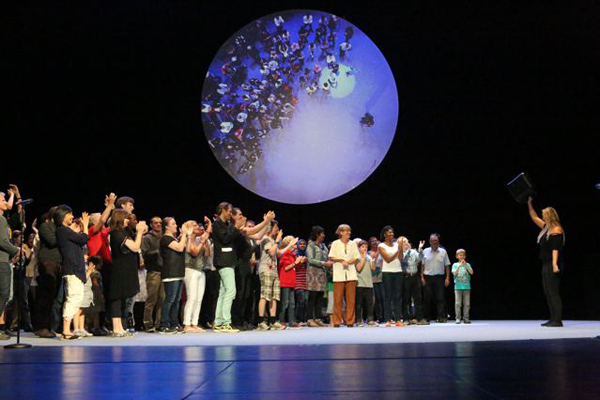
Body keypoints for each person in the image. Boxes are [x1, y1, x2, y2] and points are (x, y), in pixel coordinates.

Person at [212, 202, 274, 333]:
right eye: (229, 211)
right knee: (231, 291)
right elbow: (225, 239)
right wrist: (237, 226)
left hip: (230, 262)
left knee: (224, 292)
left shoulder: (229, 226)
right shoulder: (217, 224)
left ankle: (219, 322)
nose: (230, 214)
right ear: (223, 210)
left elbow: (255, 233)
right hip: (224, 261)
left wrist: (266, 222)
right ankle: (226, 322)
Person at [109, 209, 147, 337]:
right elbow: (135, 247)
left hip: (128, 269)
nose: (128, 220)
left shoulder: (125, 231)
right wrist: (140, 232)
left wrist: (140, 230)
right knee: (117, 297)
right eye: (126, 218)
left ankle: (121, 327)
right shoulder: (116, 233)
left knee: (124, 298)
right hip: (120, 269)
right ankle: (116, 328)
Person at [527, 197, 565, 327]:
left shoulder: (556, 229)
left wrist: (554, 264)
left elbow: (555, 248)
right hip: (546, 263)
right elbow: (533, 217)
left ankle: (557, 320)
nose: (542, 217)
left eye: (544, 215)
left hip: (552, 264)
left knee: (553, 292)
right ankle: (553, 318)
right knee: (547, 291)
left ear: (549, 216)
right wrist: (529, 204)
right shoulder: (546, 228)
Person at [55, 205, 90, 340]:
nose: (72, 217)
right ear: (63, 215)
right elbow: (83, 239)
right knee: (73, 298)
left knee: (76, 298)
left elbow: (79, 240)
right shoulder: (62, 230)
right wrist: (85, 225)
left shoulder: (66, 231)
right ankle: (66, 330)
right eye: (70, 214)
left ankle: (66, 329)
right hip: (72, 269)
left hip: (76, 269)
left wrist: (77, 230)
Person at [34, 207, 63, 338]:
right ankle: (42, 327)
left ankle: (50, 326)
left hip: (59, 264)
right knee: (46, 296)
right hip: (48, 263)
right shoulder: (45, 226)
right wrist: (66, 234)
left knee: (54, 298)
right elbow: (52, 241)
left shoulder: (60, 228)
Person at [158, 217, 190, 334]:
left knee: (176, 300)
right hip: (170, 273)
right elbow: (180, 248)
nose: (176, 225)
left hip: (178, 272)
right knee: (170, 299)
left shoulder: (174, 239)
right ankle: (164, 324)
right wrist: (184, 234)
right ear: (167, 227)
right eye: (173, 223)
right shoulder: (165, 239)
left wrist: (185, 235)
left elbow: (184, 248)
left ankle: (174, 323)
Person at [256, 220, 288, 331]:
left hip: (274, 270)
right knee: (265, 295)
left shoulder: (272, 241)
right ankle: (261, 321)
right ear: (270, 228)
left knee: (275, 296)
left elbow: (278, 253)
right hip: (266, 269)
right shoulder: (265, 239)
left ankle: (273, 321)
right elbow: (271, 252)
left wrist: (289, 245)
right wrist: (278, 241)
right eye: (276, 227)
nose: (277, 229)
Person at [182, 219, 211, 332]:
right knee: (192, 298)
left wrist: (209, 225)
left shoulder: (199, 240)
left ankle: (194, 323)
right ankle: (186, 324)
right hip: (190, 270)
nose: (198, 227)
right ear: (189, 228)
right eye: (194, 226)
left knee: (199, 299)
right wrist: (202, 242)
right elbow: (193, 252)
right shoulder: (186, 239)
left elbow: (207, 254)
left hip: (200, 270)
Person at [328, 224, 360, 327]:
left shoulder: (353, 244)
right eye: (346, 231)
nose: (349, 232)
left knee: (351, 300)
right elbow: (331, 257)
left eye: (349, 231)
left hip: (351, 274)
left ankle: (350, 321)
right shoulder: (335, 243)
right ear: (341, 232)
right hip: (339, 274)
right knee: (337, 300)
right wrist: (341, 260)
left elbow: (357, 257)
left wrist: (348, 262)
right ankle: (337, 321)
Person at [0, 191, 20, 340]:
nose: (5, 202)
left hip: (3, 260)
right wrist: (16, 250)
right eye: (2, 199)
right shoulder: (0, 219)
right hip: (2, 261)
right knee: (4, 294)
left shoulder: (3, 219)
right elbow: (2, 241)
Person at [378, 226, 406, 327]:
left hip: (398, 271)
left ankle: (398, 319)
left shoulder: (396, 245)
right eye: (389, 232)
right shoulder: (381, 246)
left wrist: (400, 248)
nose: (392, 234)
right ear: (385, 234)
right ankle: (388, 319)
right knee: (387, 296)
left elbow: (401, 258)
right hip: (387, 272)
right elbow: (388, 259)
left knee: (397, 296)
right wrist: (397, 250)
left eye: (392, 232)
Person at [141, 216, 165, 332]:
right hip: (153, 271)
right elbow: (145, 254)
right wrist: (157, 252)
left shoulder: (164, 237)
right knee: (151, 299)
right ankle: (148, 323)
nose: (158, 224)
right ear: (151, 225)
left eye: (160, 223)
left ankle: (159, 323)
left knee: (162, 299)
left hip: (164, 271)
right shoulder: (147, 238)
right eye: (156, 223)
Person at [422, 233, 451, 323]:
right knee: (427, 298)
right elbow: (422, 265)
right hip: (427, 277)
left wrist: (447, 278)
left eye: (436, 240)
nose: (434, 242)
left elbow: (447, 265)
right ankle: (426, 318)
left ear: (438, 241)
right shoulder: (425, 251)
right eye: (432, 240)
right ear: (429, 241)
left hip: (439, 277)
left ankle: (441, 317)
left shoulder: (443, 251)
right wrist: (421, 277)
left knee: (440, 298)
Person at [306, 226, 331, 327]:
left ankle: (318, 318)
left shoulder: (323, 246)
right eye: (322, 234)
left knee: (320, 296)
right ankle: (309, 319)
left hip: (322, 274)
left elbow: (327, 257)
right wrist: (323, 263)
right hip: (313, 274)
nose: (323, 235)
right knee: (312, 296)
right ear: (317, 235)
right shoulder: (311, 246)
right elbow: (310, 259)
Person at [278, 235, 304, 327]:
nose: (296, 245)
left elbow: (294, 268)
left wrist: (299, 262)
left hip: (292, 282)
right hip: (285, 282)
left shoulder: (293, 255)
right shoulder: (285, 254)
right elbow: (286, 268)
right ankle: (281, 320)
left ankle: (292, 321)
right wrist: (295, 263)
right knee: (285, 302)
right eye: (294, 243)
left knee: (292, 303)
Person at [402, 238, 428, 325]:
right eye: (404, 242)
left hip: (415, 276)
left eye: (407, 241)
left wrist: (420, 249)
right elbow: (403, 261)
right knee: (406, 299)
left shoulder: (413, 251)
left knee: (418, 298)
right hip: (405, 277)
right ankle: (406, 318)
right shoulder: (399, 253)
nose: (407, 243)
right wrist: (407, 251)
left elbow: (420, 258)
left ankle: (419, 318)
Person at [355, 240, 376, 326]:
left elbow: (373, 268)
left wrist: (373, 259)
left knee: (369, 303)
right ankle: (359, 320)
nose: (365, 248)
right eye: (363, 247)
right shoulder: (356, 257)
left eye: (366, 247)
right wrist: (363, 257)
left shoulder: (369, 257)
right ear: (358, 248)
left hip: (369, 283)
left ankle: (370, 319)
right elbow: (358, 268)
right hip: (359, 283)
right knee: (359, 303)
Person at [452, 249, 474, 324]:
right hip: (458, 287)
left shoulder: (467, 264)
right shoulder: (455, 264)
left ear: (465, 256)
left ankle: (466, 318)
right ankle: (458, 318)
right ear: (457, 256)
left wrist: (466, 265)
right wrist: (459, 266)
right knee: (458, 303)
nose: (462, 257)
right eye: (460, 255)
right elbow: (454, 273)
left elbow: (471, 272)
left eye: (463, 255)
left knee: (467, 304)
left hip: (466, 287)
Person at [369, 237, 384, 323]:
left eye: (376, 241)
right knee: (376, 298)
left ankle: (384, 316)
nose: (375, 243)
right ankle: (377, 316)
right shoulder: (368, 253)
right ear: (370, 243)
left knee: (382, 297)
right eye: (373, 241)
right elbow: (373, 258)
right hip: (372, 279)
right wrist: (379, 250)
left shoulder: (382, 252)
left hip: (382, 277)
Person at [294, 239, 309, 324]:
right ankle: (298, 319)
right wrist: (301, 262)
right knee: (301, 301)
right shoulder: (295, 255)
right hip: (298, 281)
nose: (302, 245)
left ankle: (305, 319)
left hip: (306, 282)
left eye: (304, 244)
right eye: (300, 244)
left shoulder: (307, 255)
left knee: (306, 301)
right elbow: (294, 269)